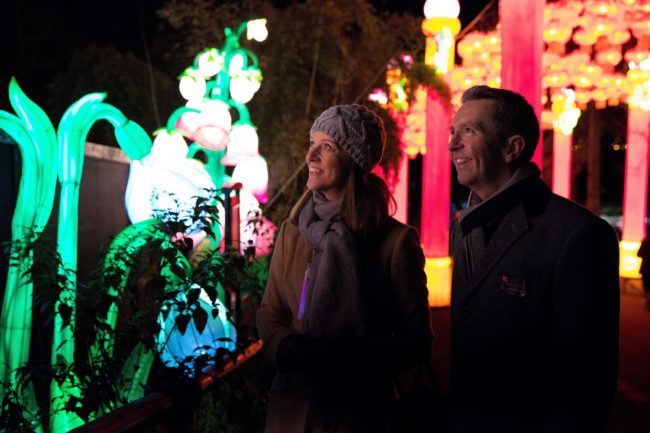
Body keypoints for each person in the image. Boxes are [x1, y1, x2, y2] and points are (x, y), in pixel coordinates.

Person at [448, 85, 620, 433]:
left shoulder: (577, 234)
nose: (452, 145)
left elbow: (586, 382)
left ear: (512, 147)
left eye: (469, 131)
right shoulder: (464, 226)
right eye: (453, 132)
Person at [257, 104, 434, 433]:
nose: (311, 156)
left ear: (353, 159)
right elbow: (270, 311)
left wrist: (347, 355)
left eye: (327, 147)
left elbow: (417, 341)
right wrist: (288, 349)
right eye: (312, 143)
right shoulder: (292, 232)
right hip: (293, 409)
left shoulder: (395, 242)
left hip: (359, 412)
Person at [637, 235, 650, 310]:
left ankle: (647, 302)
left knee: (646, 286)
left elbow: (639, 254)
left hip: (645, 268)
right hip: (646, 268)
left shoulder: (645, 241)